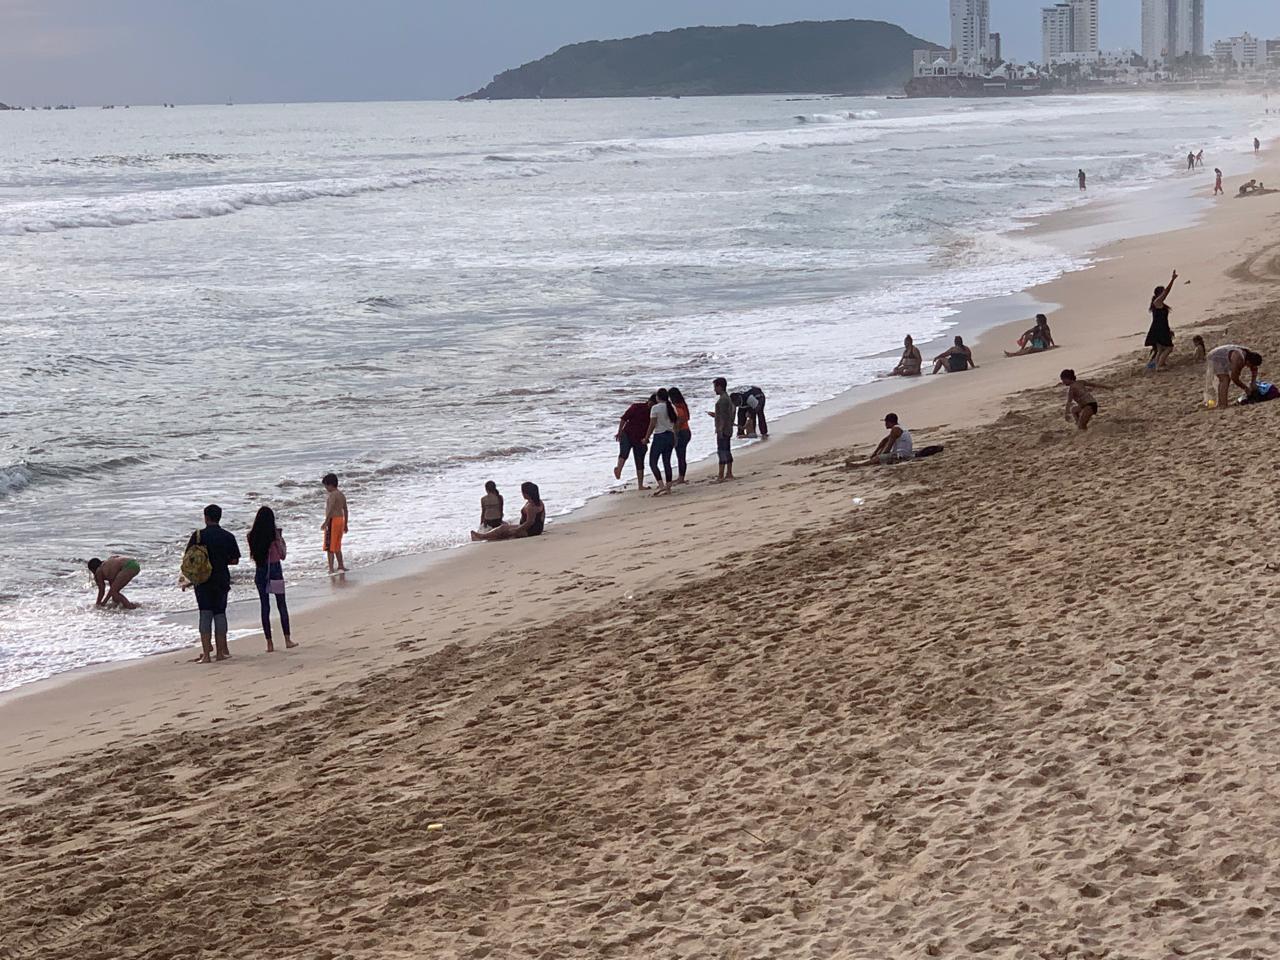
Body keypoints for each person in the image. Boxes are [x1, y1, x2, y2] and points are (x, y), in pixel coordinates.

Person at [188, 504, 241, 663]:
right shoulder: (228, 536)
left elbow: (188, 558)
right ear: (219, 517)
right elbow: (235, 560)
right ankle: (220, 653)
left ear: (206, 517)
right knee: (220, 613)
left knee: (205, 614)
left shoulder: (198, 536)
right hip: (221, 578)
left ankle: (205, 655)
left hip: (202, 580)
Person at [247, 506, 294, 652]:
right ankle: (287, 639)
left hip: (260, 571)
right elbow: (282, 555)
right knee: (281, 605)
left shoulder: (251, 535)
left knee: (265, 606)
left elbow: (253, 556)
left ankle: (269, 643)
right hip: (274, 570)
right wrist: (280, 539)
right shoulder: (274, 536)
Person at [470, 482, 545, 541]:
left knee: (503, 529)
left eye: (522, 492)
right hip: (535, 529)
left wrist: (517, 530)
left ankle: (482, 536)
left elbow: (529, 522)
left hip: (530, 531)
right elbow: (542, 518)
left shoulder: (531, 506)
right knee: (504, 528)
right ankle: (485, 536)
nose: (522, 494)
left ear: (527, 493)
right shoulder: (538, 502)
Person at [613, 396, 653, 492]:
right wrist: (619, 432)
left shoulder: (653, 412)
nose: (653, 406)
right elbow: (624, 419)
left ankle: (640, 485)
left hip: (640, 438)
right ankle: (618, 470)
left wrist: (647, 437)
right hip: (627, 434)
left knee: (639, 460)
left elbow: (652, 426)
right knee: (624, 453)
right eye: (653, 404)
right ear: (649, 401)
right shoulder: (636, 407)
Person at [1205, 344, 1263, 409]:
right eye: (1250, 365)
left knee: (1225, 379)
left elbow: (1254, 369)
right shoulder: (1239, 360)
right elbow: (1234, 378)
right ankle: (1223, 404)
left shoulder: (1248, 355)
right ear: (1248, 362)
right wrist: (1245, 388)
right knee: (1224, 379)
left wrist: (1253, 382)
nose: (1248, 367)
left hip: (1223, 355)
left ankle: (1221, 403)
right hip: (1216, 356)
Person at [645, 388, 678, 495]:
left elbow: (652, 424)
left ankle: (661, 485)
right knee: (666, 462)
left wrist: (646, 437)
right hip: (670, 435)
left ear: (658, 397)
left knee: (653, 462)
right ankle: (668, 487)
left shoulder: (655, 408)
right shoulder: (671, 407)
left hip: (660, 436)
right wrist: (675, 436)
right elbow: (676, 423)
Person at [1145, 269, 1177, 372]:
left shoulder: (1158, 303)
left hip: (1160, 327)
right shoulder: (1157, 301)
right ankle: (1159, 365)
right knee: (1169, 348)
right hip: (1159, 328)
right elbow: (1167, 292)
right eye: (1162, 292)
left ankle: (1157, 365)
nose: (1164, 293)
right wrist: (1172, 280)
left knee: (1160, 349)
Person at [708, 377, 736, 483]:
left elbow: (723, 417)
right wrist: (715, 415)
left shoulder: (722, 400)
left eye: (715, 387)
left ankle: (721, 475)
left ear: (719, 387)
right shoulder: (727, 398)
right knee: (727, 450)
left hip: (724, 429)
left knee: (722, 451)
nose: (714, 390)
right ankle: (728, 473)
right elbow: (727, 415)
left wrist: (719, 429)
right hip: (728, 428)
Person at [321, 473, 348, 573]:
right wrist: (346, 524)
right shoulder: (341, 494)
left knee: (329, 546)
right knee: (337, 545)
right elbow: (345, 510)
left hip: (333, 521)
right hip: (340, 520)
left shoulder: (333, 495)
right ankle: (341, 565)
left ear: (330, 485)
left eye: (326, 486)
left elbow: (331, 509)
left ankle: (331, 568)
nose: (326, 488)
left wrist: (326, 522)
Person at [669, 387, 692, 485]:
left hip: (681, 432)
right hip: (686, 431)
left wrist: (675, 434)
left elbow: (678, 422)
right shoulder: (683, 405)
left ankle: (681, 478)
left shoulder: (677, 407)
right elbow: (687, 418)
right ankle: (681, 476)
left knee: (681, 456)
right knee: (681, 455)